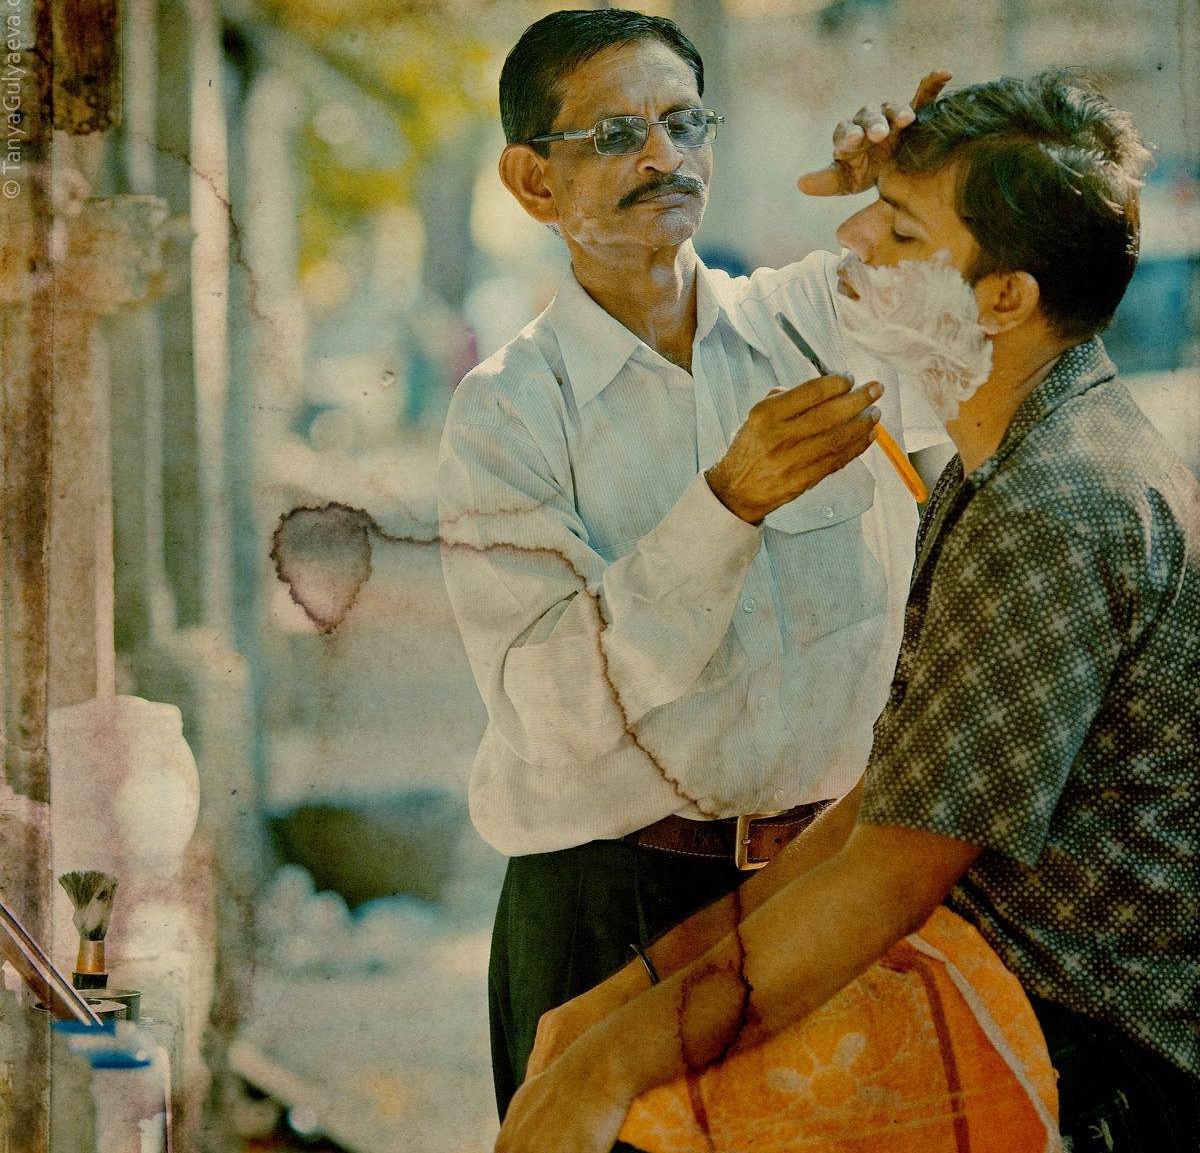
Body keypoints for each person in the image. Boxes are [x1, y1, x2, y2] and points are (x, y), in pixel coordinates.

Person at [496, 70, 1200, 1152]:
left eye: (900, 226)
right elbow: (889, 801)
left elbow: (891, 868)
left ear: (1003, 299)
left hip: (1104, 1065)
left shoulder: (1055, 498)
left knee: (637, 1115)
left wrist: (606, 1068)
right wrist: (623, 1003)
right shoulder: (1010, 450)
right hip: (1001, 992)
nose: (856, 240)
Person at [437, 7, 949, 1114]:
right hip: (611, 912)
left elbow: (1000, 308)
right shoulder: (505, 415)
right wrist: (725, 508)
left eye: (684, 122)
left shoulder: (821, 318)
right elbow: (557, 711)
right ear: (533, 184)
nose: (664, 157)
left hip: (828, 896)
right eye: (616, 135)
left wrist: (919, 180)